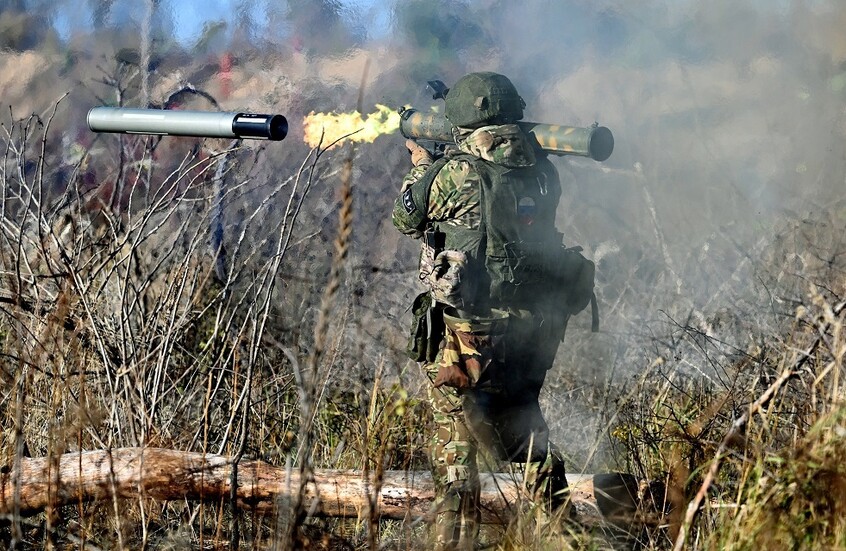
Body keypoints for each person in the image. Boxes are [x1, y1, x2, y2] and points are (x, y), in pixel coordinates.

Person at [392, 72, 595, 550]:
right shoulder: (543, 169)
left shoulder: (457, 172)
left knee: (455, 436)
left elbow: (407, 217)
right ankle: (565, 535)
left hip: (471, 334)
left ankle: (453, 540)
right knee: (524, 424)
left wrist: (421, 164)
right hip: (535, 325)